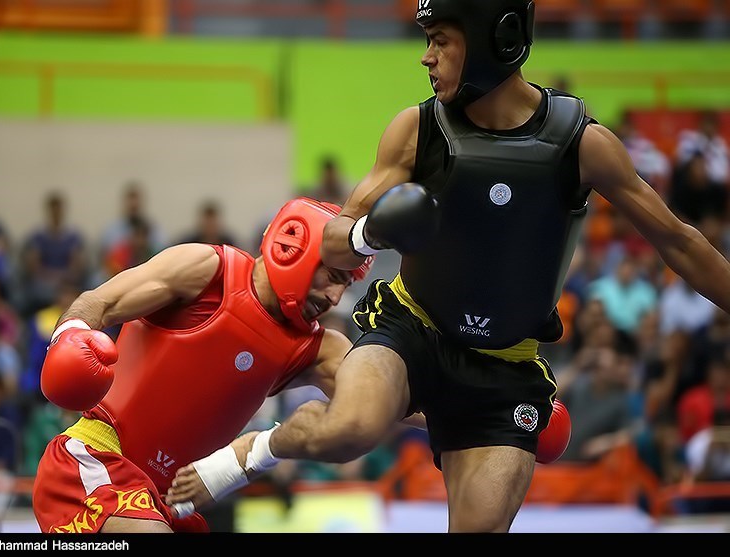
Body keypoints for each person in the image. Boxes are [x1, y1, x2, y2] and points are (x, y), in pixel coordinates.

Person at [167, 0, 730, 533]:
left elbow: (678, 242)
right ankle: (250, 453)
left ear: (496, 39)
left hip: (505, 368)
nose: (425, 56)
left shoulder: (581, 144)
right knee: (351, 428)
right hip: (410, 332)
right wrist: (372, 230)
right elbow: (335, 238)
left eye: (440, 40)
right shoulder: (416, 131)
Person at [31, 197, 376, 534]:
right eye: (332, 276)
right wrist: (70, 333)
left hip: (165, 502)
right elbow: (99, 302)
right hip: (98, 463)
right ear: (293, 248)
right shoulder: (208, 272)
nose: (334, 297)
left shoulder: (316, 348)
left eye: (344, 285)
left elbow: (395, 400)